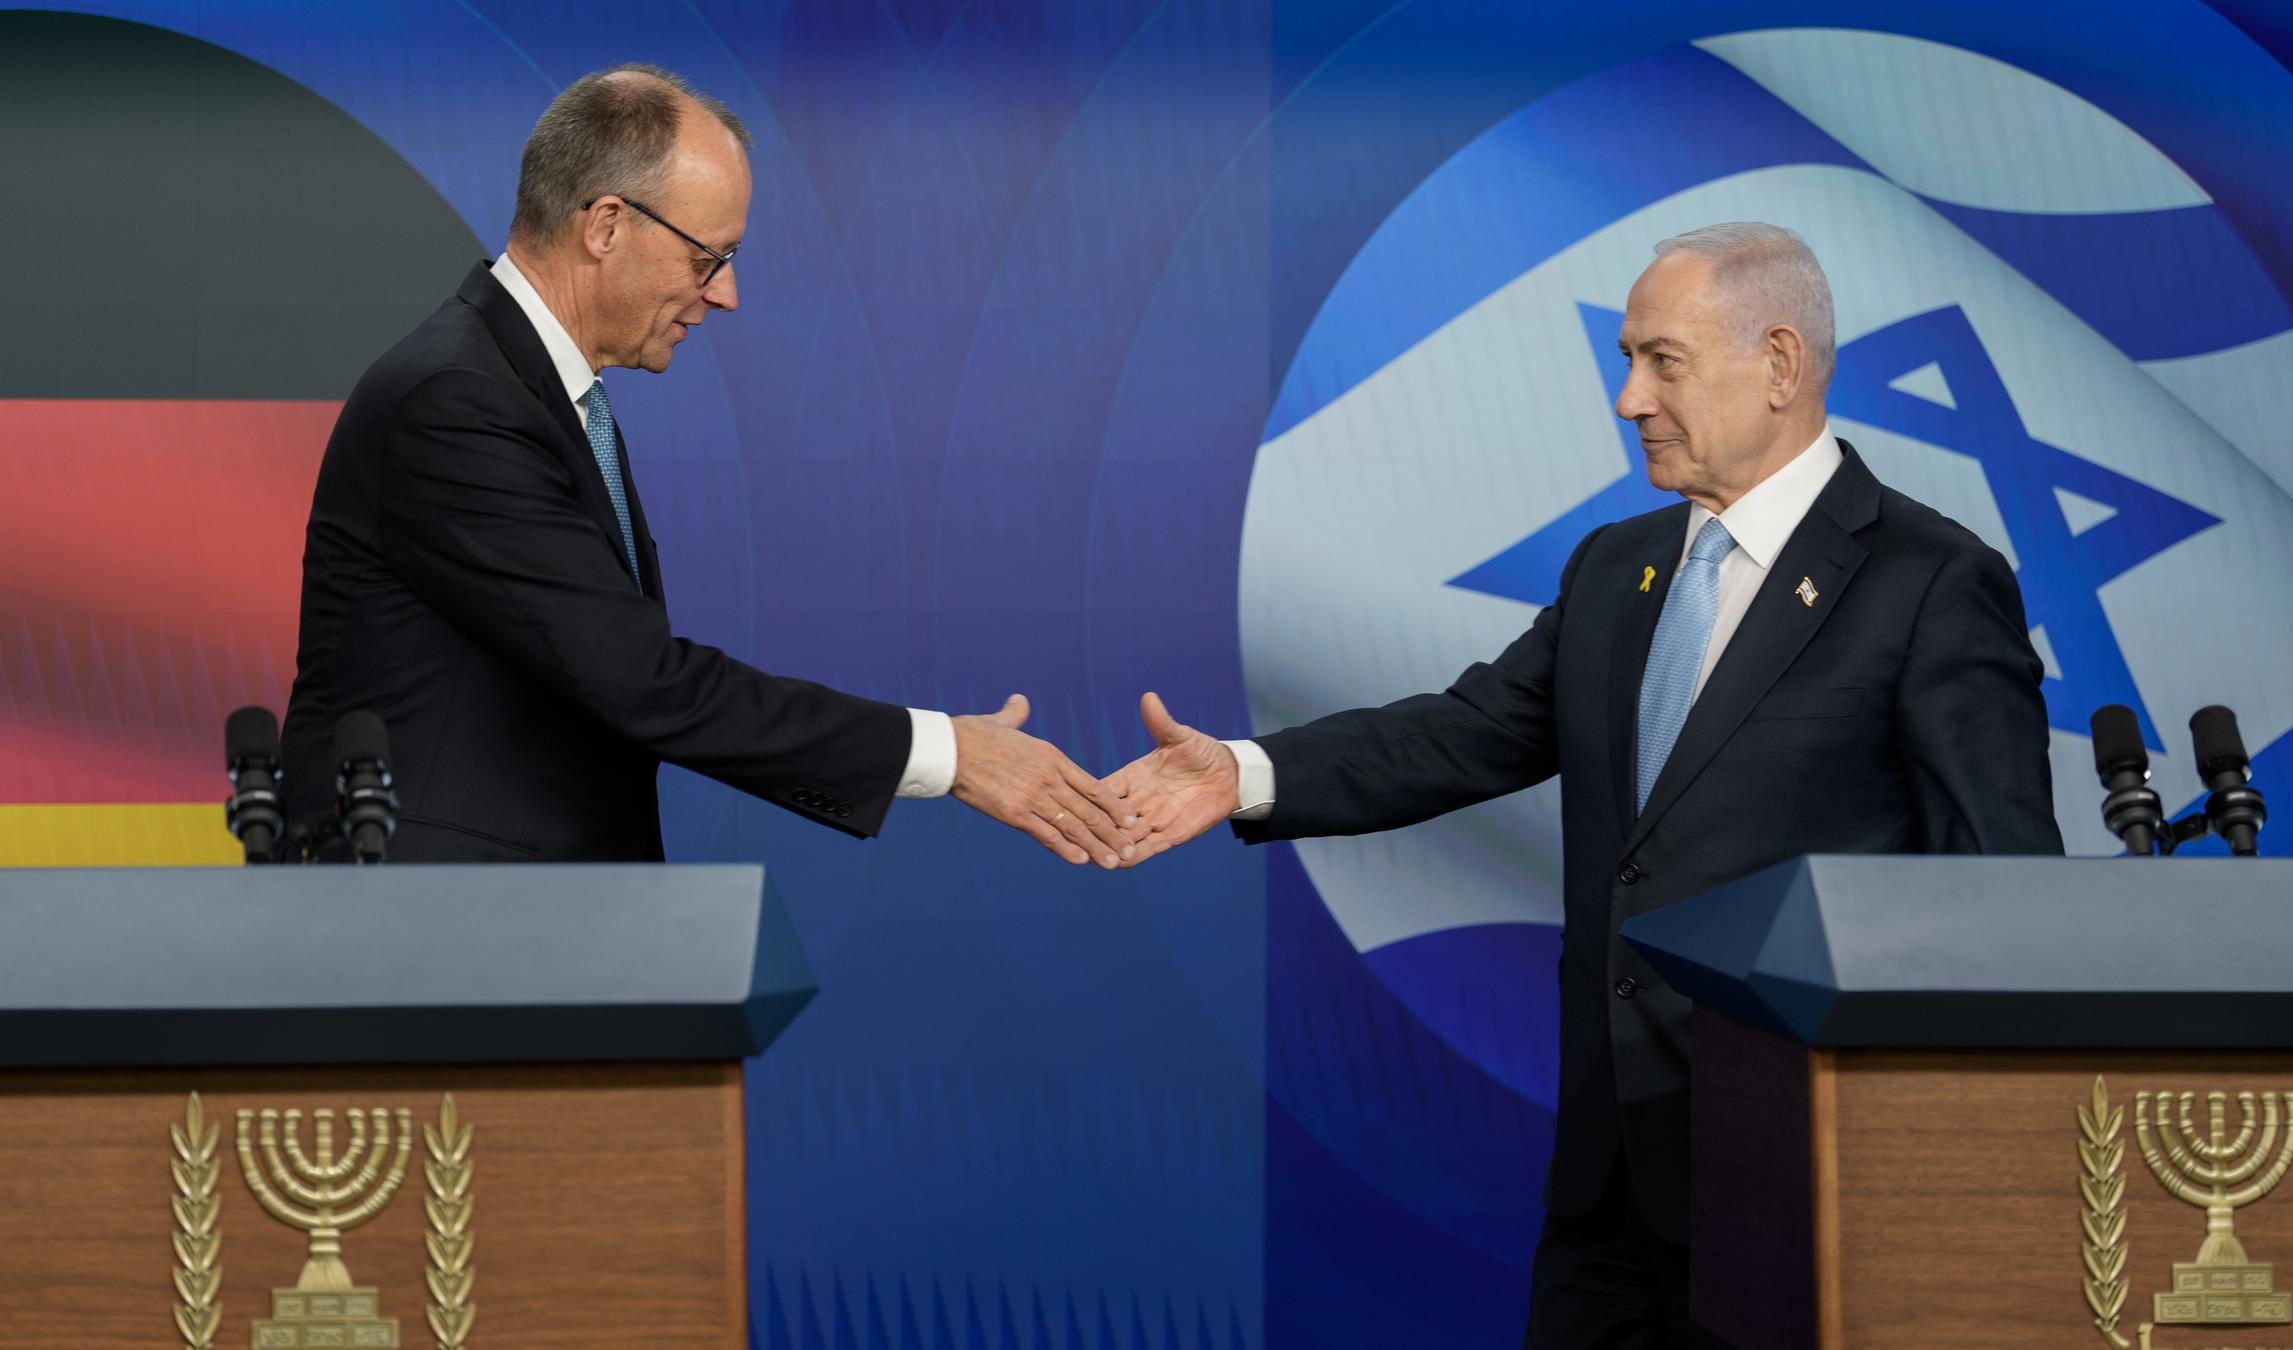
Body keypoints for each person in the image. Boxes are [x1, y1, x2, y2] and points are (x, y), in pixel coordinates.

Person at [1106, 222, 2064, 1347]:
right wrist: (1247, 773)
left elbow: (2001, 903)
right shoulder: (1618, 566)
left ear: (1779, 363)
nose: (1629, 399)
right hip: (1608, 1189)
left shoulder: (1932, 581)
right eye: (1628, 360)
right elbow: (1469, 732)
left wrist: (1966, 1191)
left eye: (1663, 361)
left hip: (1815, 1187)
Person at [281, 65, 1137, 866]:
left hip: (531, 921)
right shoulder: (457, 402)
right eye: (708, 258)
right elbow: (640, 682)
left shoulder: (529, 391)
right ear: (605, 225)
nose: (725, 294)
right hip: (433, 934)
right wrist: (946, 753)